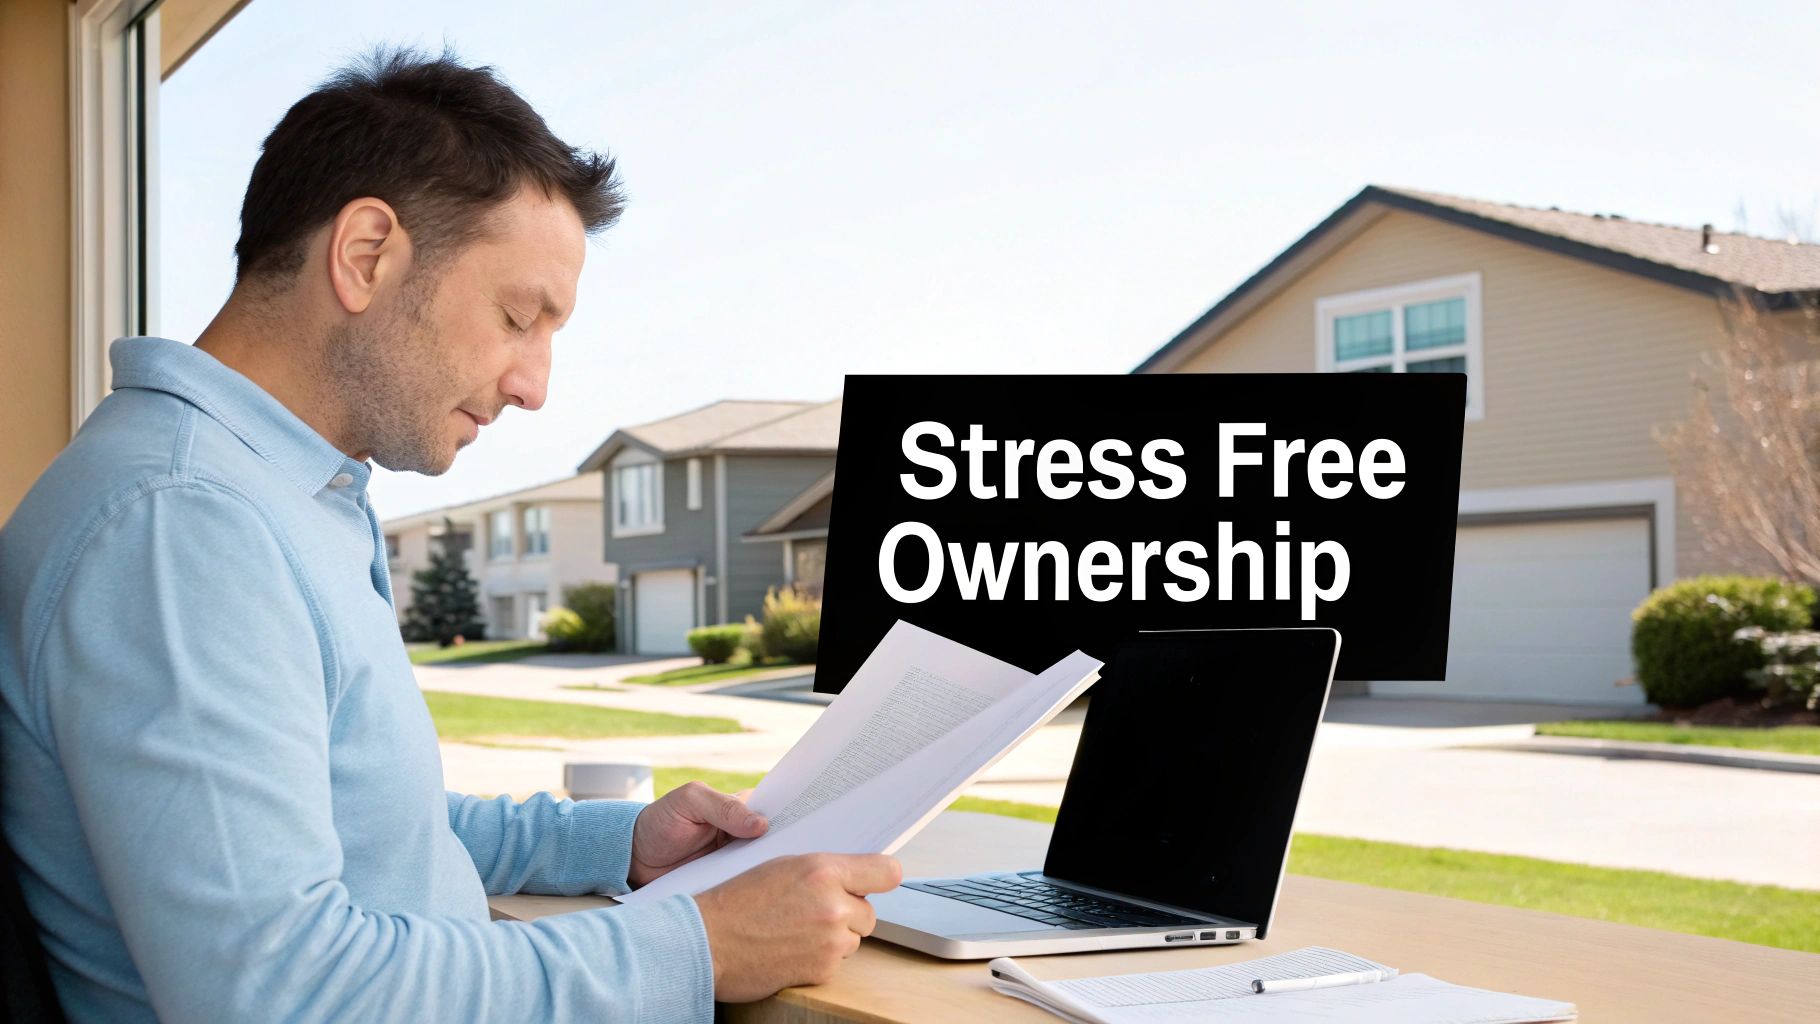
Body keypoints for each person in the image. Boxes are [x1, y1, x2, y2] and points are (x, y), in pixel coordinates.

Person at [0, 48, 899, 1023]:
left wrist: (619, 844)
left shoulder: (277, 496)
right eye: (519, 316)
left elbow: (376, 830)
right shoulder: (181, 525)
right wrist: (702, 943)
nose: (534, 384)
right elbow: (277, 996)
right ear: (365, 255)